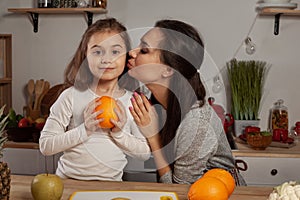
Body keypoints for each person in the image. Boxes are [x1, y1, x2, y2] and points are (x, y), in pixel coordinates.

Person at [127, 19, 246, 185]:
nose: (132, 52)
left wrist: (153, 137)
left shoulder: (196, 123)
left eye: (144, 50)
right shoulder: (149, 95)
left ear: (168, 70)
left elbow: (179, 190)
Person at [39, 18, 150, 181]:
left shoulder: (132, 101)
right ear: (85, 56)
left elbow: (144, 153)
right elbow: (46, 146)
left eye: (115, 51)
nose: (106, 59)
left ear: (126, 56)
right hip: (67, 184)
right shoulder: (70, 96)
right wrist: (85, 130)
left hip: (110, 188)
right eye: (97, 52)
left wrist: (118, 134)